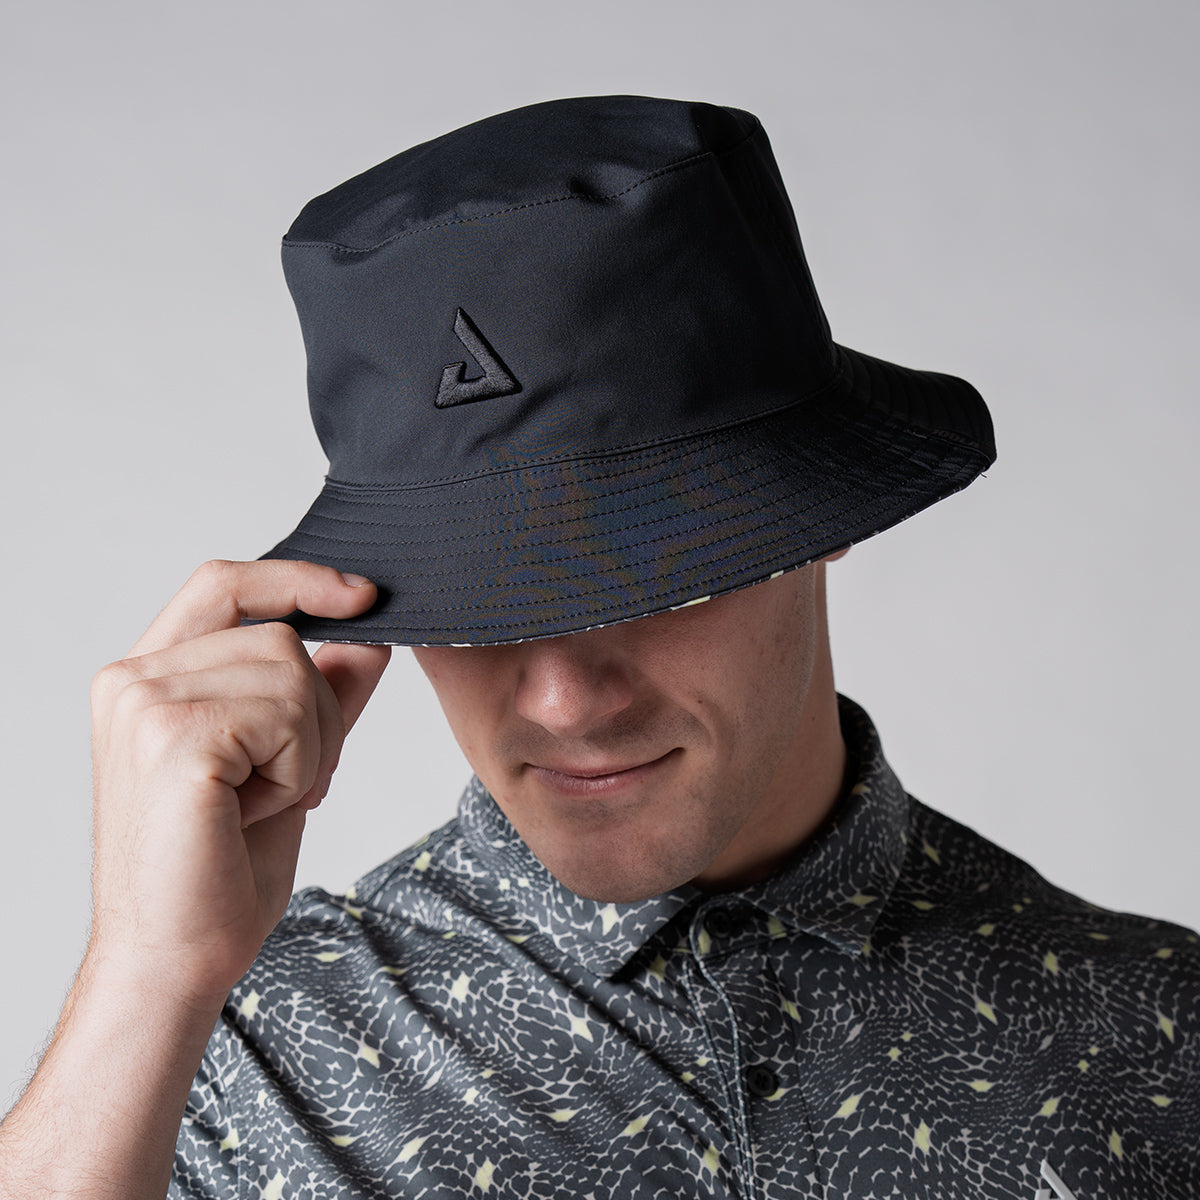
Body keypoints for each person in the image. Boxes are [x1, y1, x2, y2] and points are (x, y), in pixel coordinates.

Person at [1, 96, 1195, 1200]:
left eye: (654, 573)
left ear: (820, 526)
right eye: (471, 603)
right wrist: (146, 978)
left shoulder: (1161, 1043)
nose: (565, 699)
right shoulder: (231, 1050)